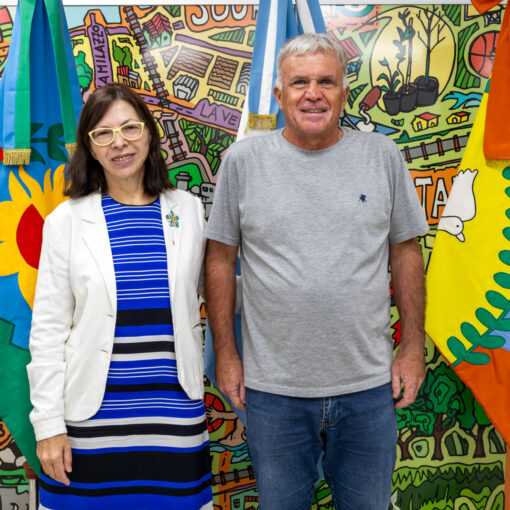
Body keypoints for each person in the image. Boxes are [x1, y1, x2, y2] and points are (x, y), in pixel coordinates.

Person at [205, 33, 429, 509]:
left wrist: (412, 348)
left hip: (368, 388)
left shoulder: (382, 156)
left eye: (326, 82)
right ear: (278, 95)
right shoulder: (242, 162)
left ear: (344, 92)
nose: (313, 94)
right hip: (274, 393)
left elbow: (406, 252)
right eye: (299, 82)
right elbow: (220, 259)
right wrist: (226, 353)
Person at [27, 83, 213, 509]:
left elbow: (215, 293)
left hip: (173, 415)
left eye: (130, 128)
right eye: (103, 133)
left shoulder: (187, 209)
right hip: (89, 421)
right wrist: (49, 425)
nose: (119, 142)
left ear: (149, 132)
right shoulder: (65, 221)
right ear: (90, 148)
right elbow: (48, 331)